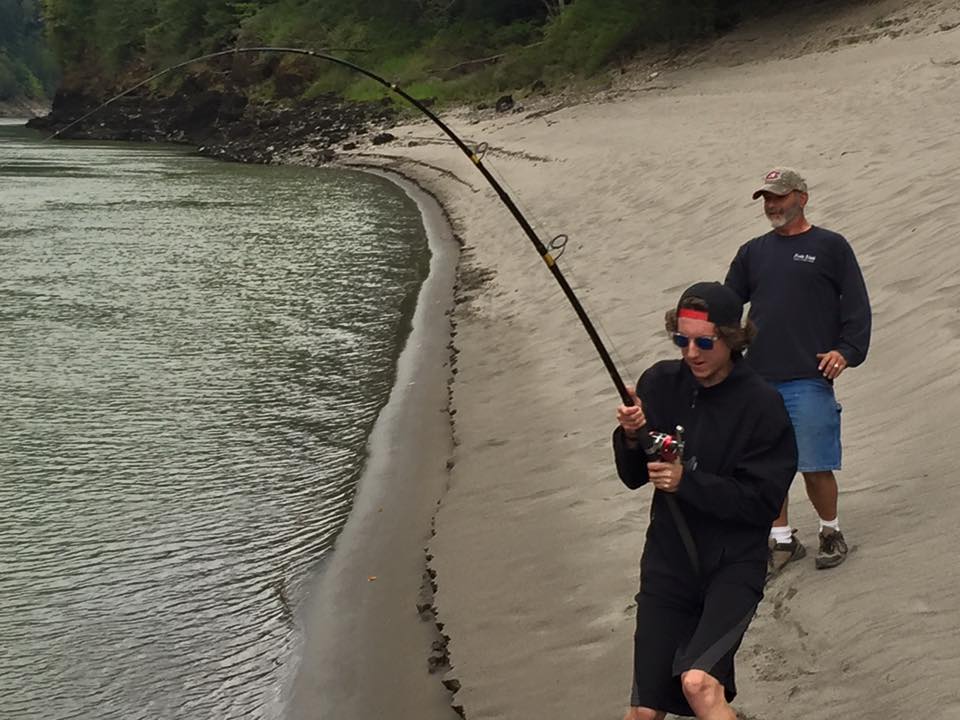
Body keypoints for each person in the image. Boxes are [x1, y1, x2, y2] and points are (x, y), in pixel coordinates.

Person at [613, 281, 797, 720]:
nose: (691, 353)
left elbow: (762, 501)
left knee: (699, 684)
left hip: (733, 565)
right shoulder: (659, 383)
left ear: (732, 341)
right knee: (643, 711)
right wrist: (631, 435)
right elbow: (632, 476)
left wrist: (687, 482)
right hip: (667, 561)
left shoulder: (762, 405)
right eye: (681, 339)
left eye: (703, 342)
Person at [725, 167, 871, 578]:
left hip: (808, 374)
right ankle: (783, 538)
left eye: (779, 197)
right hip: (758, 377)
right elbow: (729, 306)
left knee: (814, 462)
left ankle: (831, 532)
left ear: (802, 197)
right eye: (767, 199)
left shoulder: (831, 246)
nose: (772, 205)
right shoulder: (752, 251)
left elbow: (857, 306)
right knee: (765, 465)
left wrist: (847, 352)